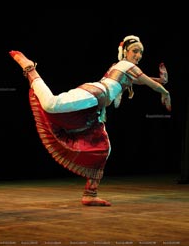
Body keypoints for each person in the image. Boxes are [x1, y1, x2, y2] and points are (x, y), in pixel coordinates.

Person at [9, 35, 171, 207]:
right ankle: (29, 69)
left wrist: (162, 81)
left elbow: (144, 81)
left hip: (95, 109)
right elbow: (149, 83)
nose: (138, 55)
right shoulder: (127, 65)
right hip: (96, 95)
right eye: (135, 51)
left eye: (141, 53)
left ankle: (90, 193)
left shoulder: (125, 68)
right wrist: (165, 92)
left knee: (103, 147)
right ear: (125, 51)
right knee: (51, 104)